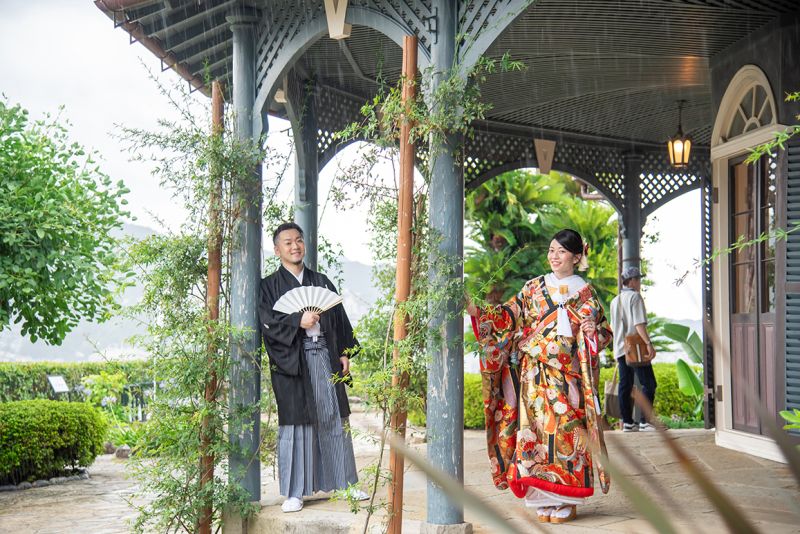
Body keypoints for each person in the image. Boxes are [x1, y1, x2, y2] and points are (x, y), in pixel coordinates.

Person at [465, 229, 613, 525]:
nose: (554, 256)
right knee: (534, 431)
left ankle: (567, 499)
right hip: (533, 374)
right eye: (551, 250)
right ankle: (544, 499)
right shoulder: (533, 288)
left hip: (568, 376)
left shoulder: (587, 293)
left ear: (577, 256)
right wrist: (476, 310)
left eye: (561, 251)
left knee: (565, 431)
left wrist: (591, 332)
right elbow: (509, 315)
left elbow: (603, 333)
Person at [258, 222, 368, 512]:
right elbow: (267, 324)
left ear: (304, 244)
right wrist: (298, 321)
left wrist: (344, 353)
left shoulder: (321, 282)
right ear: (277, 249)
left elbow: (340, 321)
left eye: (299, 240)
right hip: (293, 363)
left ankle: (346, 483)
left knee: (334, 416)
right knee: (295, 424)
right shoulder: (268, 287)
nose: (295, 246)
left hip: (326, 357)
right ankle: (294, 491)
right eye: (287, 242)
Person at [609, 266, 658, 432]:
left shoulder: (615, 301)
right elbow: (639, 324)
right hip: (636, 348)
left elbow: (613, 328)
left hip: (620, 349)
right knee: (649, 383)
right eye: (639, 279)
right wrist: (649, 344)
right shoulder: (635, 297)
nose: (640, 282)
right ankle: (645, 421)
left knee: (625, 385)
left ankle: (628, 422)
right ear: (633, 280)